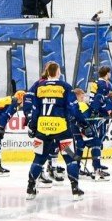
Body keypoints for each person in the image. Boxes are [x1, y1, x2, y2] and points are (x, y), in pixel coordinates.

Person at [24, 62, 89, 198]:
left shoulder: (39, 86)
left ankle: (30, 189)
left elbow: (35, 109)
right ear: (58, 72)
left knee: (39, 158)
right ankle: (75, 189)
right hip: (61, 128)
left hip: (43, 127)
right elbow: (74, 108)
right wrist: (84, 125)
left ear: (47, 72)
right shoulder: (65, 87)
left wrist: (32, 126)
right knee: (70, 157)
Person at [80, 65, 112, 180]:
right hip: (96, 114)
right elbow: (92, 98)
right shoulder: (96, 83)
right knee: (96, 138)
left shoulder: (108, 84)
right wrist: (95, 111)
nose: (110, 75)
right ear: (107, 73)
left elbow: (106, 99)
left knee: (101, 137)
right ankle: (96, 166)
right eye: (109, 73)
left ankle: (98, 163)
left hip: (103, 113)